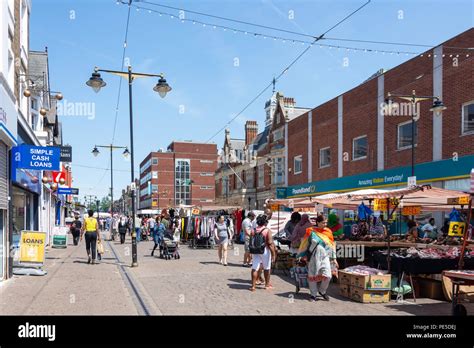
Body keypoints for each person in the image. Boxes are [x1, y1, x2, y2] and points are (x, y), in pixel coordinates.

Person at [297, 215, 336, 301]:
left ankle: (322, 291)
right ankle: (313, 294)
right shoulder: (311, 231)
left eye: (326, 222)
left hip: (325, 257)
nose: (325, 224)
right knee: (312, 275)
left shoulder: (328, 232)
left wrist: (334, 258)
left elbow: (332, 245)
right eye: (323, 222)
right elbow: (304, 244)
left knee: (328, 275)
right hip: (313, 257)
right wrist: (302, 256)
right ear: (317, 222)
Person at [249, 214, 276, 291]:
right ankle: (267, 285)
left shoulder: (253, 230)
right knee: (267, 268)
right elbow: (270, 243)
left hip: (255, 251)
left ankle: (253, 286)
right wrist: (273, 254)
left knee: (254, 268)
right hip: (264, 251)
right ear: (265, 222)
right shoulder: (267, 230)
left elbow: (251, 242)